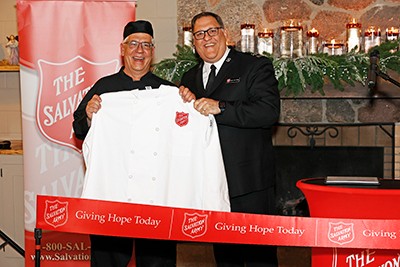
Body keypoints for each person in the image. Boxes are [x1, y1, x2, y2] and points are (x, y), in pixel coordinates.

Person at [73, 20, 178, 267]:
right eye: (133, 44)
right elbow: (78, 129)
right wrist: (89, 115)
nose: (139, 51)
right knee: (107, 259)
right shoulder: (104, 88)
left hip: (155, 197)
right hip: (113, 192)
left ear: (152, 51)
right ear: (122, 49)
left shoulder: (169, 92)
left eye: (145, 45)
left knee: (156, 260)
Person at [179, 12, 281, 266]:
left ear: (226, 34)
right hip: (213, 182)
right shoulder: (188, 79)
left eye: (212, 31)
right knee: (225, 257)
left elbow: (268, 112)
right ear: (194, 43)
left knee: (261, 259)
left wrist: (221, 107)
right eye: (199, 34)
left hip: (251, 183)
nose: (207, 38)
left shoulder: (254, 66)